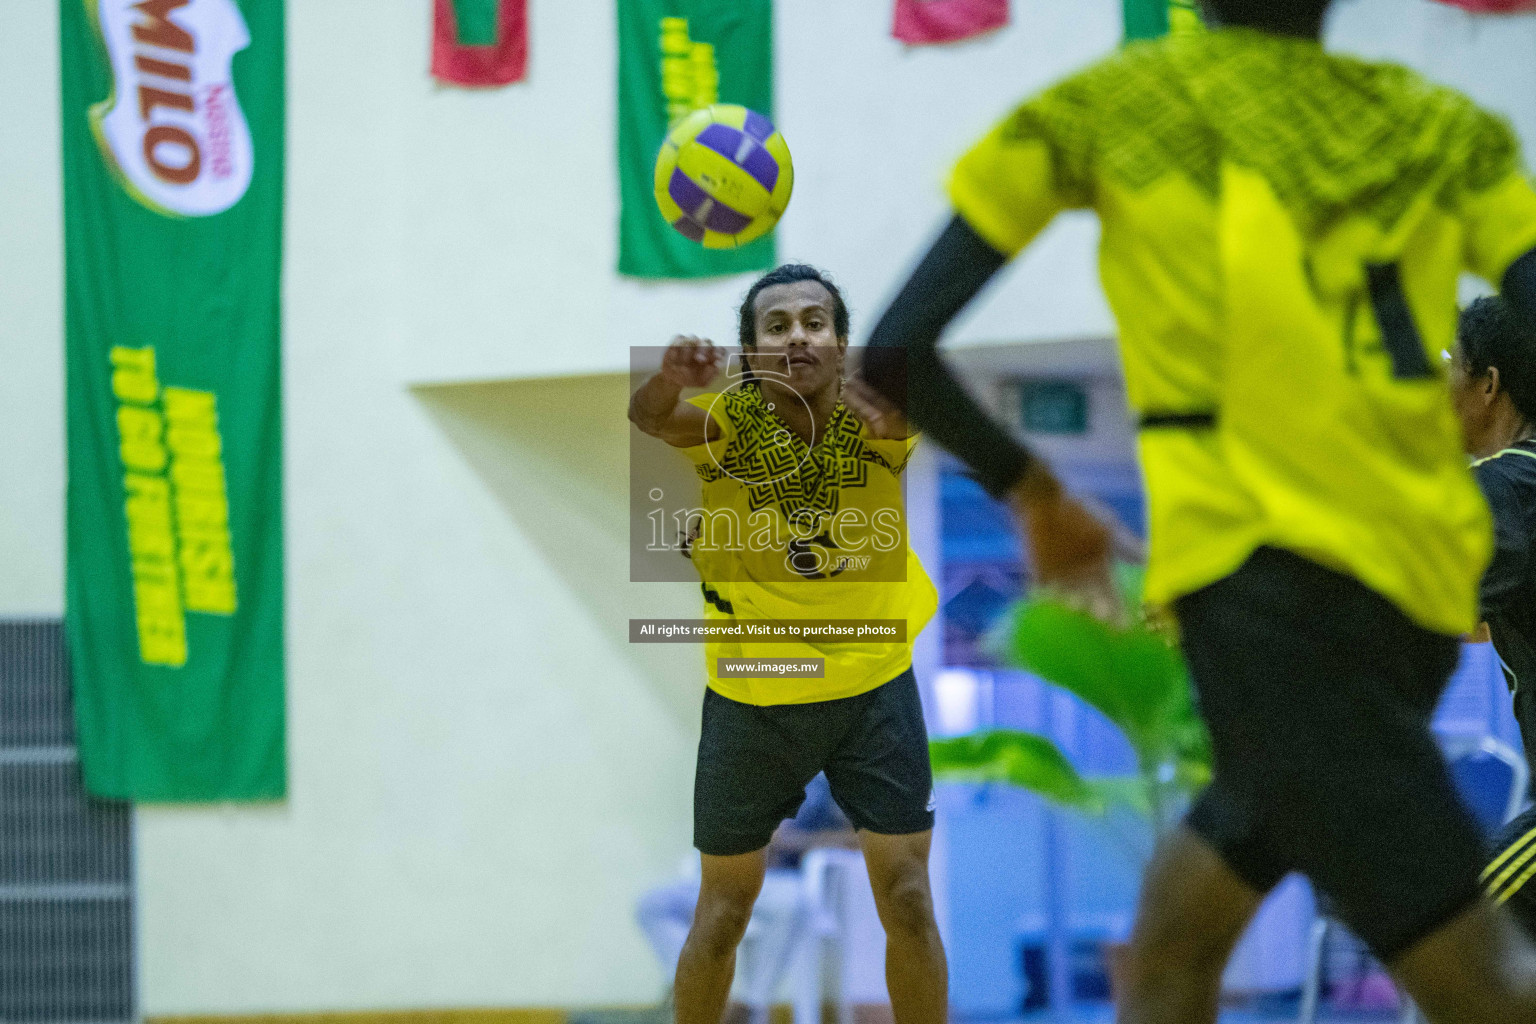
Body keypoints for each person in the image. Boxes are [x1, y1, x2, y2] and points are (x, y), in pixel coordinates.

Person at [857, 1, 1536, 1021]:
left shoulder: (1107, 108)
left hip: (1276, 595)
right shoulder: (1443, 122)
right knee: (1174, 946)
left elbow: (898, 347)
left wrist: (1039, 496)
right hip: (1402, 602)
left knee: (1476, 986)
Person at [628, 264, 948, 1023]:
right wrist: (669, 378)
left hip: (872, 684)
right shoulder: (726, 425)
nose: (797, 335)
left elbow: (912, 418)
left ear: (840, 343)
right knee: (725, 908)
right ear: (749, 354)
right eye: (777, 325)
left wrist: (898, 422)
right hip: (754, 694)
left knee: (906, 896)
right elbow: (648, 418)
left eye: (814, 321)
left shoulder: (879, 416)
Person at [1448, 296, 1536, 936]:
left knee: (1468, 931)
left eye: (1451, 365)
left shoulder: (1507, 488)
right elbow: (1472, 621)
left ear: (1489, 384)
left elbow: (1418, 606)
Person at [636, 774, 858, 1022]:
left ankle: (748, 1006)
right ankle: (695, 990)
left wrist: (788, 842)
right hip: (731, 876)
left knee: (791, 904)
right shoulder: (754, 761)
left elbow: (857, 838)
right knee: (653, 905)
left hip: (784, 879)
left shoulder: (830, 777)